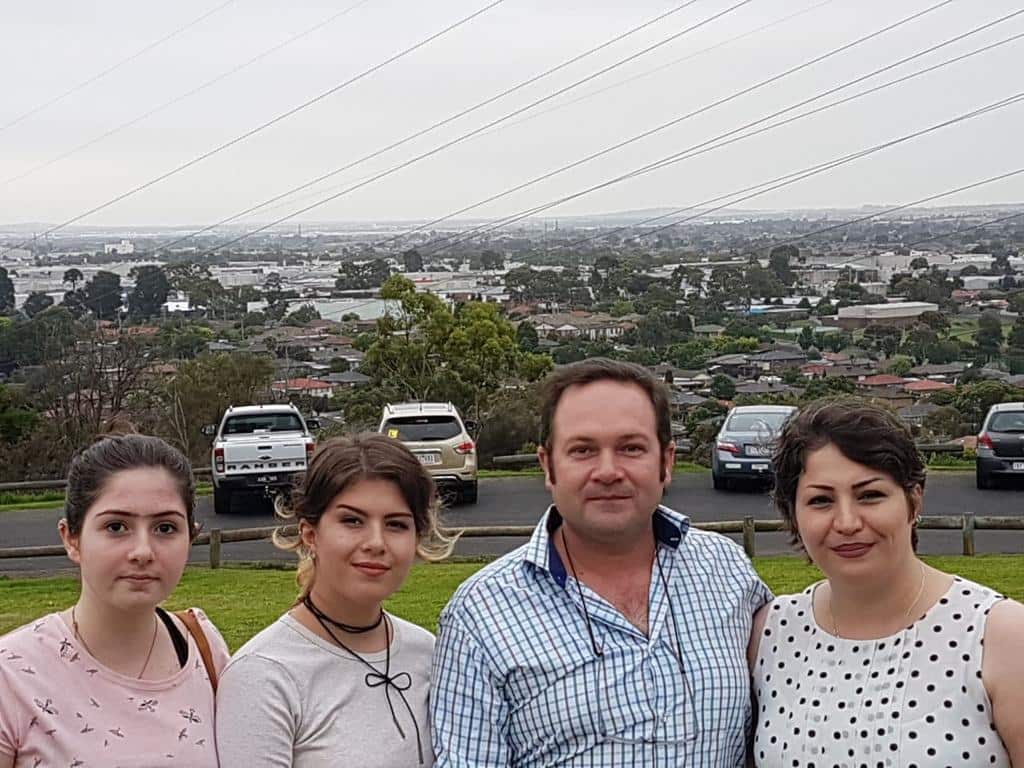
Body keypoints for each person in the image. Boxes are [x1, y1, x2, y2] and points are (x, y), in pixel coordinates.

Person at [431, 358, 772, 766]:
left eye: (631, 448)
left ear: (666, 462)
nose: (608, 471)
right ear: (548, 466)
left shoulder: (728, 572)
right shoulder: (479, 615)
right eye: (583, 450)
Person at [750, 399, 1024, 766]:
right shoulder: (770, 632)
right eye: (820, 500)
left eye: (870, 495)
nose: (847, 522)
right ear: (792, 513)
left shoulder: (1000, 635)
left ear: (914, 499)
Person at [215, 433, 455, 767]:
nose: (376, 542)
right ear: (309, 533)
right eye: (352, 521)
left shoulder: (427, 652)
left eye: (396, 524)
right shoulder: (263, 675)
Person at [0, 432, 229, 768]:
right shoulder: (13, 676)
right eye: (117, 526)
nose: (142, 552)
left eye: (165, 528)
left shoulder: (203, 647)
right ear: (72, 538)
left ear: (190, 536)